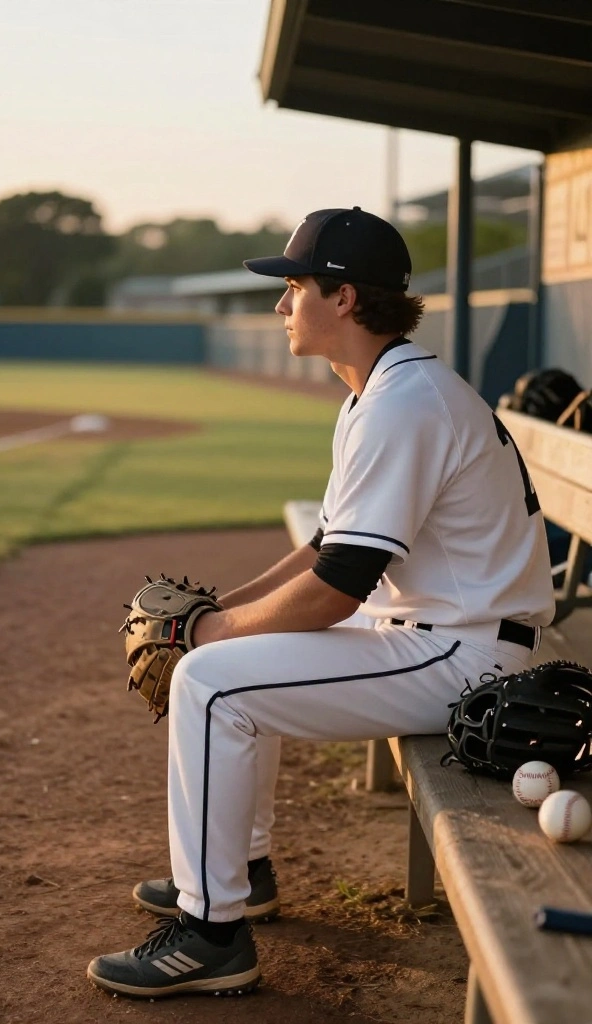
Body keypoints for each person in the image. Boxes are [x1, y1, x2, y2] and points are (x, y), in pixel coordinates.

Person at [87, 207, 555, 999]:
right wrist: (215, 615)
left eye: (295, 285)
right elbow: (326, 548)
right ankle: (240, 873)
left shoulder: (405, 403)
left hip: (465, 653)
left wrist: (206, 637)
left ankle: (212, 933)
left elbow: (338, 591)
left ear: (343, 298)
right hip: (443, 629)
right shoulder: (383, 390)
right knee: (227, 659)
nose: (281, 305)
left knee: (212, 682)